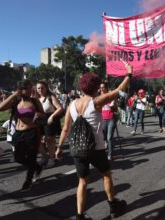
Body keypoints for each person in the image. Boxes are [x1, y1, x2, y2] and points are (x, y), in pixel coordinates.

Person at [55, 65, 132, 219]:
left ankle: (80, 215)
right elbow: (119, 90)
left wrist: (59, 147)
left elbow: (65, 129)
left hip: (78, 148)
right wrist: (129, 74)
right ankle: (113, 206)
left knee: (82, 182)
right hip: (96, 148)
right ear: (96, 87)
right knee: (106, 175)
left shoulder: (72, 105)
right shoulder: (96, 101)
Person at [0, 79, 45, 191]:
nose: (30, 90)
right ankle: (37, 167)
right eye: (27, 88)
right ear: (21, 89)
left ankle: (28, 181)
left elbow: (43, 115)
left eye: (30, 87)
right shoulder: (16, 101)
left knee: (31, 156)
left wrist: (39, 115)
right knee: (17, 157)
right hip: (18, 133)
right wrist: (14, 94)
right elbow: (0, 108)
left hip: (32, 132)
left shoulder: (34, 101)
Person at [36, 81, 64, 168]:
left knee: (49, 140)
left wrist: (52, 116)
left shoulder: (50, 97)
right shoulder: (36, 99)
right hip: (39, 120)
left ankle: (51, 159)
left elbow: (60, 108)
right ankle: (44, 156)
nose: (40, 90)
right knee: (37, 139)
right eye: (38, 88)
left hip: (49, 120)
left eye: (42, 88)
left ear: (46, 88)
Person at [100, 82, 117, 161]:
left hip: (111, 119)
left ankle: (110, 155)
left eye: (103, 87)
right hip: (103, 119)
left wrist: (113, 105)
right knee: (104, 138)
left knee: (109, 137)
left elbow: (115, 108)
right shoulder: (99, 97)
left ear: (106, 88)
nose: (102, 89)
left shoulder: (111, 96)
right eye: (101, 87)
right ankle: (109, 147)